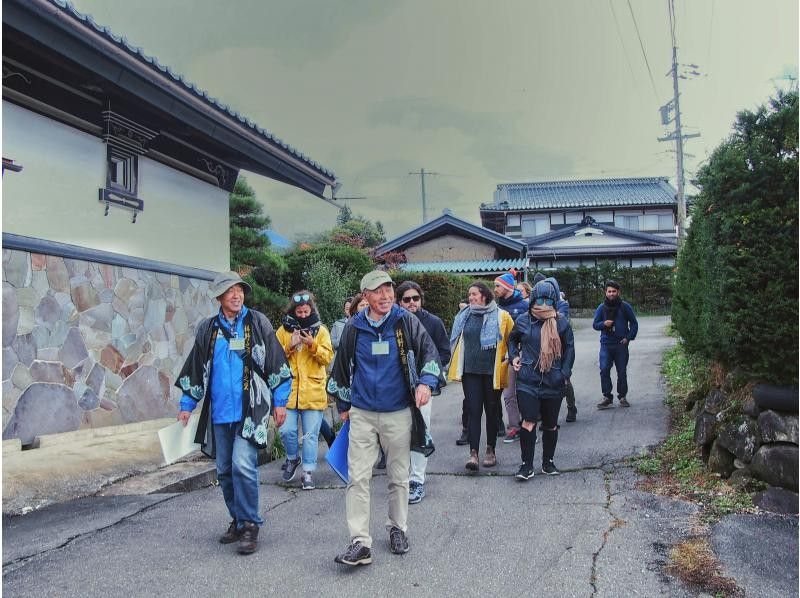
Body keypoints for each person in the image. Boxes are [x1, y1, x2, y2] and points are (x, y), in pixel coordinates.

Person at [328, 271, 443, 566]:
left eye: (388, 290)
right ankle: (359, 542)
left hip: (398, 412)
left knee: (398, 476)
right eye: (378, 291)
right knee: (358, 478)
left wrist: (426, 383)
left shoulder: (405, 321)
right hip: (363, 414)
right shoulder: (354, 327)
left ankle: (397, 528)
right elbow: (341, 367)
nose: (385, 296)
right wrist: (343, 403)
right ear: (364, 296)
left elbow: (430, 352)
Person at [175, 271, 291, 555]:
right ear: (219, 297)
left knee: (242, 464)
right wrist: (187, 406)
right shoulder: (208, 329)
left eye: (240, 289)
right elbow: (196, 367)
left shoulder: (257, 322)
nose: (237, 295)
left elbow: (276, 361)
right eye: (230, 291)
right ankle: (238, 520)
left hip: (251, 410)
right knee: (224, 471)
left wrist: (280, 401)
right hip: (220, 413)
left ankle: (251, 524)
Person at [509, 279, 575, 479]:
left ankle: (548, 462)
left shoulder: (562, 322)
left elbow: (569, 349)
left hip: (553, 380)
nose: (544, 305)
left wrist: (564, 373)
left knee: (550, 424)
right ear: (532, 300)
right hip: (528, 379)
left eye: (548, 300)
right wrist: (514, 357)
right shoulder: (522, 320)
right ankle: (526, 465)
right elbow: (512, 340)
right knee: (528, 421)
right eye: (539, 300)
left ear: (554, 301)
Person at [449, 282, 514, 471]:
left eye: (474, 294)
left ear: (485, 295)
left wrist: (511, 358)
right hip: (470, 371)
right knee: (473, 411)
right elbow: (456, 339)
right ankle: (473, 454)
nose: (470, 298)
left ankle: (490, 450)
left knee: (492, 411)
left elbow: (513, 339)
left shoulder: (502, 316)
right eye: (469, 295)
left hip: (491, 372)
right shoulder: (464, 316)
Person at [396, 280, 450, 505]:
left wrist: (427, 378)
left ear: (421, 299)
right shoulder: (393, 322)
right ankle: (401, 477)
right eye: (406, 299)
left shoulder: (433, 322)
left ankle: (417, 480)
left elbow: (444, 353)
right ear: (399, 301)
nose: (411, 303)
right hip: (396, 387)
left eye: (415, 298)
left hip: (423, 388)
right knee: (398, 435)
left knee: (419, 431)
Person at [276, 290, 334, 490]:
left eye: (305, 311)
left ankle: (308, 472)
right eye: (299, 312)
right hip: (288, 391)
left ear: (311, 310)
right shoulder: (283, 331)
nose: (302, 315)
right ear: (293, 311)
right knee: (286, 430)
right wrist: (289, 347)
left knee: (310, 435)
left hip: (313, 390)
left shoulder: (321, 331)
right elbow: (274, 360)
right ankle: (292, 459)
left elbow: (327, 358)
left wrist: (312, 344)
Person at [493, 270, 529, 445]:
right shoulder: (496, 307)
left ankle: (529, 425)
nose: (495, 289)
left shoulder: (524, 305)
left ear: (507, 287)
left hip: (525, 354)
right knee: (508, 393)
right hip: (505, 356)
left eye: (497, 286)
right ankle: (514, 426)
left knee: (526, 392)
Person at [593, 280, 638, 409]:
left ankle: (622, 396)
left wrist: (628, 338)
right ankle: (607, 397)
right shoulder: (601, 308)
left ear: (618, 292)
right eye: (609, 291)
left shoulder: (625, 307)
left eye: (614, 291)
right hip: (606, 344)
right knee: (604, 369)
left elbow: (634, 324)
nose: (611, 294)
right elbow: (595, 325)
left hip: (621, 345)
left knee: (622, 372)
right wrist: (603, 324)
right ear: (605, 292)